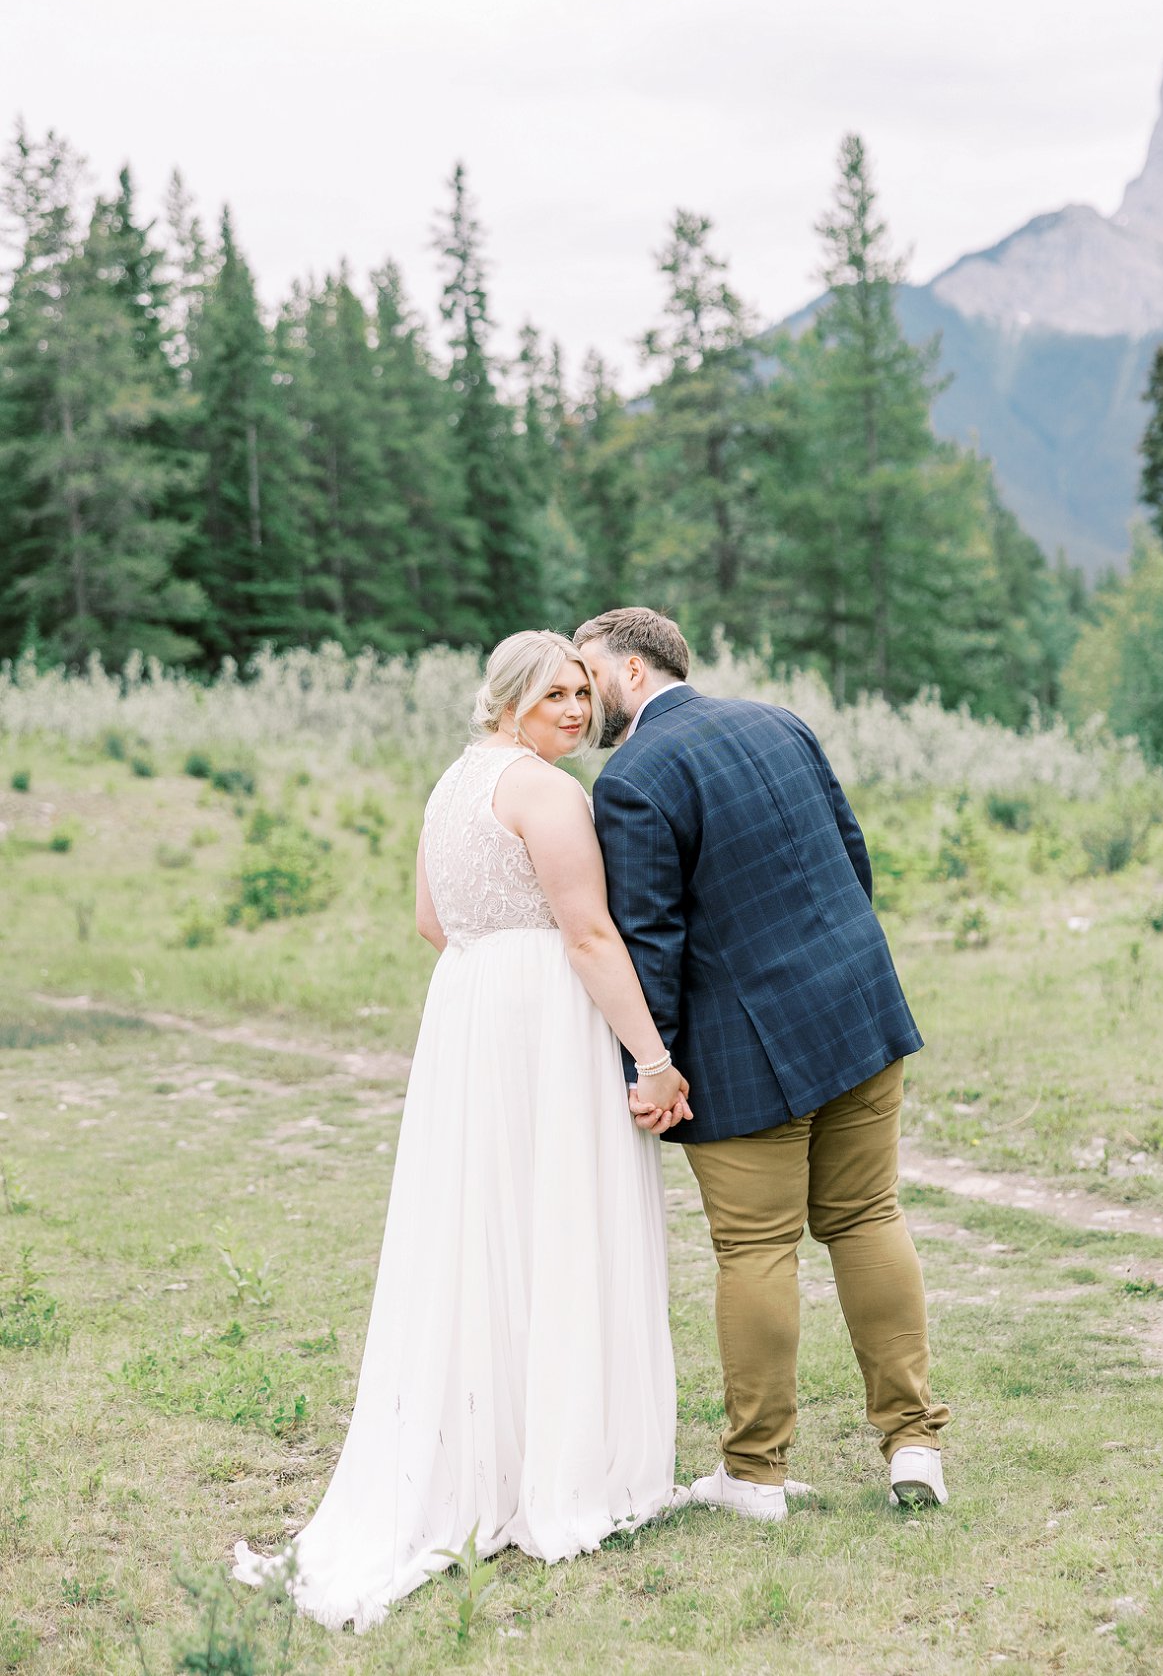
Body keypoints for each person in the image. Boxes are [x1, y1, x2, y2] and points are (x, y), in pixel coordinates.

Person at [232, 631, 690, 1632]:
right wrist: (652, 1059)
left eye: (582, 693)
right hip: (541, 1016)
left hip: (471, 1010)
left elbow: (433, 922)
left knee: (482, 1227)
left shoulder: (454, 784)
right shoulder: (547, 792)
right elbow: (589, 933)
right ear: (509, 700)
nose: (576, 711)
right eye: (555, 695)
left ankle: (494, 1454)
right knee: (557, 1220)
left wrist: (496, 966)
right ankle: (561, 1467)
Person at [575, 606, 950, 1520]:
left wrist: (649, 1062)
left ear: (631, 670)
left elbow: (649, 939)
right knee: (867, 1217)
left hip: (749, 1055)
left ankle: (754, 1473)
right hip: (858, 1009)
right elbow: (851, 858)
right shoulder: (779, 721)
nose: (581, 703)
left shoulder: (632, 779)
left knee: (754, 1249)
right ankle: (915, 1447)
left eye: (586, 679)